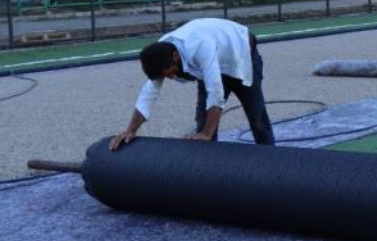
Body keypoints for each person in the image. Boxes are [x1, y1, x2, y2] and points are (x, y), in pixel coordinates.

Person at [110, 18, 275, 150]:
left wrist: (206, 133)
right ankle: (206, 171)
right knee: (203, 122)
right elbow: (148, 94)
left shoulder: (200, 46)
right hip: (213, 62)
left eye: (170, 73)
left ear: (175, 56)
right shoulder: (160, 54)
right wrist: (131, 130)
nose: (169, 77)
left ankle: (272, 164)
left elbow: (215, 92)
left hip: (240, 57)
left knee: (257, 118)